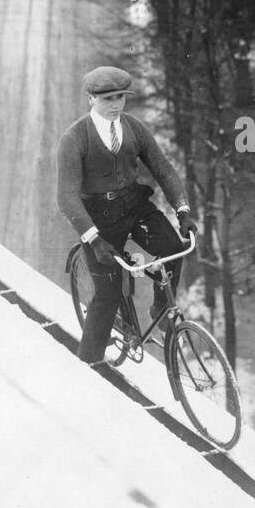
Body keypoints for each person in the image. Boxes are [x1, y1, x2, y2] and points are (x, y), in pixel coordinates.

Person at [57, 66, 197, 365]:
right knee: (107, 296)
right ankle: (89, 365)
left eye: (120, 97)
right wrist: (93, 239)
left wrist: (182, 209)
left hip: (134, 205)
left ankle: (161, 310)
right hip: (99, 218)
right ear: (91, 98)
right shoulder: (75, 138)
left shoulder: (133, 127)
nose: (116, 104)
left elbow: (163, 169)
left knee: (173, 247)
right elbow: (66, 196)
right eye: (107, 99)